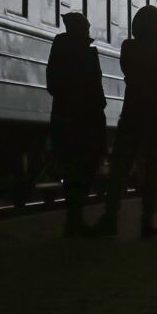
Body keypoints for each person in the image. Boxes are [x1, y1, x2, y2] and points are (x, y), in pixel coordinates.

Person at [92, 4, 157, 239]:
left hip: (133, 112)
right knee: (154, 170)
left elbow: (128, 71)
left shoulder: (129, 47)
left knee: (120, 167)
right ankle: (147, 221)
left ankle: (110, 217)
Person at [45, 12, 108, 236]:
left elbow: (52, 83)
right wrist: (99, 109)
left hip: (63, 119)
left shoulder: (59, 50)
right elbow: (96, 88)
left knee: (71, 169)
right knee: (84, 167)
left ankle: (74, 219)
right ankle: (76, 219)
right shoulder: (89, 54)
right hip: (87, 121)